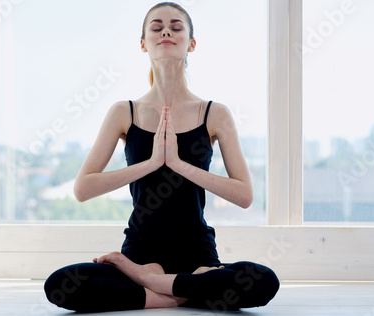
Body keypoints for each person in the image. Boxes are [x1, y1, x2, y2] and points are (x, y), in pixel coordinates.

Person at [44, 2, 279, 312]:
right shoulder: (123, 111)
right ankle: (186, 291)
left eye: (176, 27)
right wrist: (151, 163)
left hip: (196, 253)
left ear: (191, 43)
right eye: (156, 27)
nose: (166, 31)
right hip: (140, 250)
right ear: (143, 43)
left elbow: (245, 195)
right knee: (60, 286)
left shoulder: (214, 113)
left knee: (264, 281)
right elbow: (83, 188)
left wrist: (179, 164)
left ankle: (152, 285)